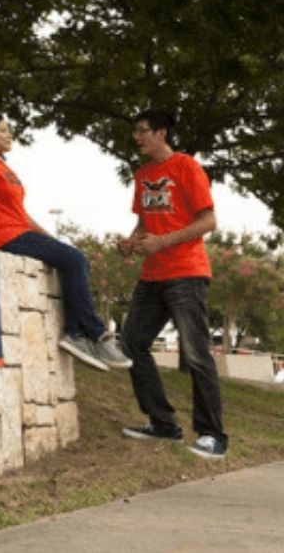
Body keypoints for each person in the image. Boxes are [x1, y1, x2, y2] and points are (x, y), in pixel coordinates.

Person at [0, 113, 131, 371]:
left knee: (73, 257)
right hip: (4, 237)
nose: (9, 135)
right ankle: (93, 334)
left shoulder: (2, 166)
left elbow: (21, 213)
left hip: (20, 231)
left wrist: (49, 238)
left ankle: (76, 333)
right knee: (75, 259)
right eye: (3, 130)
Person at [117, 108, 226, 460]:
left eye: (143, 131)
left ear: (162, 133)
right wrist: (132, 242)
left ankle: (212, 436)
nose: (137, 137)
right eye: (136, 131)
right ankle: (164, 425)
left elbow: (209, 220)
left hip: (186, 273)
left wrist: (164, 241)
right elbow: (144, 221)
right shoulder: (143, 174)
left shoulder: (186, 167)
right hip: (152, 276)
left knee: (196, 355)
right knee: (132, 344)